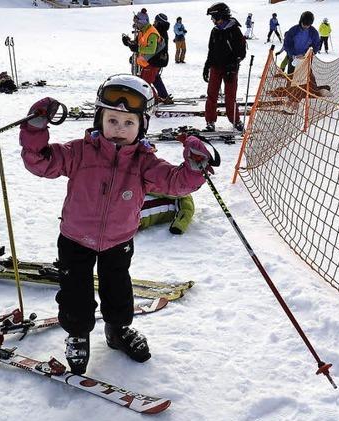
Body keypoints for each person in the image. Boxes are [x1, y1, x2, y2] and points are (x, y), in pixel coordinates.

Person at [18, 74, 213, 374]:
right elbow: (41, 161)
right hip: (74, 239)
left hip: (118, 240)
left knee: (118, 290)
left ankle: (117, 330)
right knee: (75, 292)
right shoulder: (79, 152)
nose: (119, 130)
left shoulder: (145, 163)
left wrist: (195, 167)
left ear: (142, 126)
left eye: (128, 123)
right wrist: (35, 129)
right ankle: (78, 334)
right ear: (99, 119)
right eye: (112, 120)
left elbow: (176, 183)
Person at [203, 2, 247, 132]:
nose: (212, 20)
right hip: (215, 67)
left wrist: (232, 66)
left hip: (230, 70)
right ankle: (210, 121)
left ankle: (235, 120)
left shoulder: (234, 31)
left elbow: (241, 53)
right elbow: (211, 50)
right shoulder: (215, 31)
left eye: (214, 17)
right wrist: (207, 66)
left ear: (221, 16)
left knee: (230, 96)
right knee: (211, 95)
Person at [122, 12, 166, 97]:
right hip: (146, 62)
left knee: (145, 85)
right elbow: (138, 44)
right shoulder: (143, 31)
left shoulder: (152, 33)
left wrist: (137, 48)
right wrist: (128, 42)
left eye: (137, 23)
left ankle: (155, 100)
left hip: (153, 62)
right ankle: (160, 98)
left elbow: (151, 49)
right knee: (143, 83)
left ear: (142, 22)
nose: (135, 25)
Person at [150, 13, 173, 104]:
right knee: (155, 78)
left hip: (157, 59)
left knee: (151, 78)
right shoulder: (161, 30)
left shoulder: (159, 31)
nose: (154, 22)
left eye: (155, 21)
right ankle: (163, 95)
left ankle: (161, 97)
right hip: (159, 59)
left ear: (159, 22)